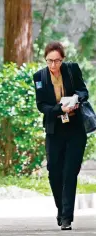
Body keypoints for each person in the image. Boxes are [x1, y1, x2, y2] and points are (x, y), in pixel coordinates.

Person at [33, 41, 88, 231]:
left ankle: (66, 217)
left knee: (69, 173)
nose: (53, 65)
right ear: (46, 60)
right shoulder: (39, 77)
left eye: (57, 61)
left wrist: (76, 100)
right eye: (50, 61)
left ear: (62, 59)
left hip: (75, 128)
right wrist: (59, 109)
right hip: (54, 129)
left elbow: (83, 91)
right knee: (54, 173)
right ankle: (61, 209)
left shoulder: (72, 70)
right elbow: (41, 105)